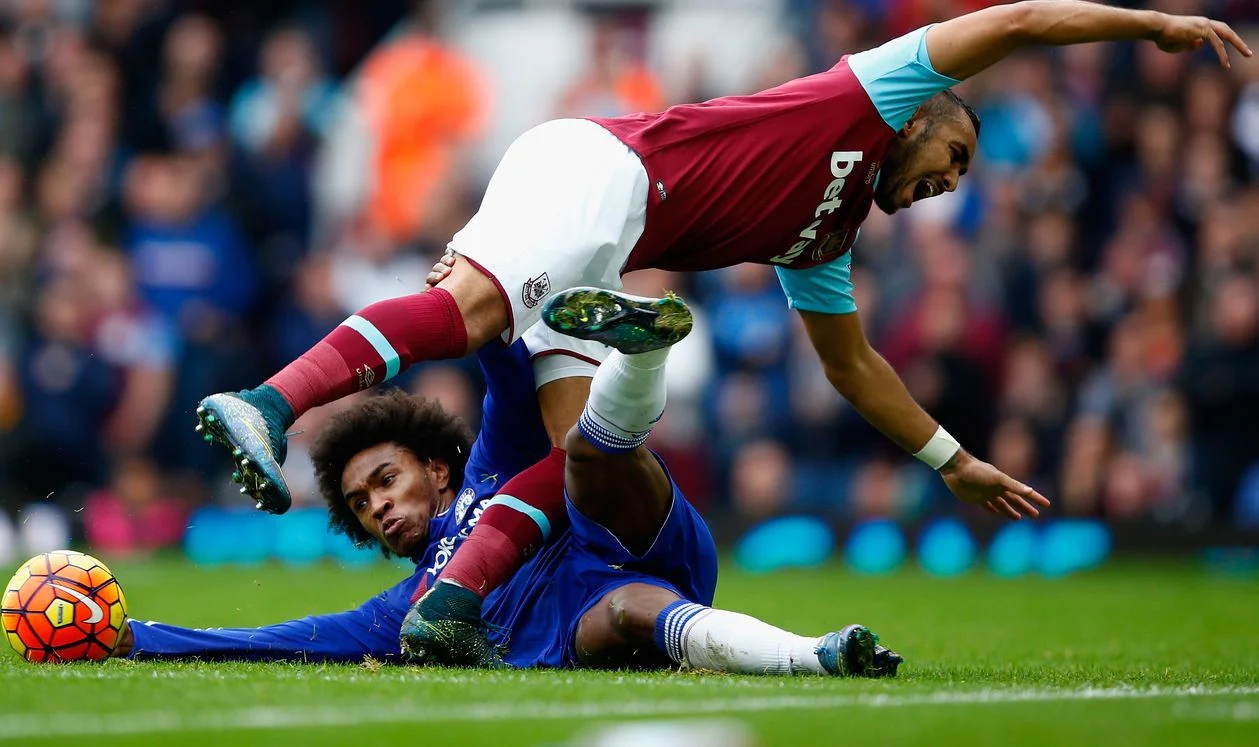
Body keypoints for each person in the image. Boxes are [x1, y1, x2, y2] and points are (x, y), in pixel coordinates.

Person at [194, 1, 1246, 657]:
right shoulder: (864, 97)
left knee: (581, 458)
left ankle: (453, 602)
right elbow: (1011, 23)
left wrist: (952, 461)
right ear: (920, 118)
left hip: (600, 241)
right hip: (604, 168)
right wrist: (1145, 25)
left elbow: (851, 367)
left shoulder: (819, 237)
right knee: (471, 315)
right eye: (953, 159)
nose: (948, 183)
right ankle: (269, 403)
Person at [118, 293, 903, 678]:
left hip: (624, 525)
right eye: (360, 504)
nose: (379, 505)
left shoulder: (494, 461)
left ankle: (642, 352)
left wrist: (482, 289)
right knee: (628, 608)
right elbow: (276, 640)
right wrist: (132, 638)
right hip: (594, 615)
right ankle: (820, 655)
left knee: (584, 454)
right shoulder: (406, 606)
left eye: (385, 479)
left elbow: (500, 365)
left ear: (436, 466)